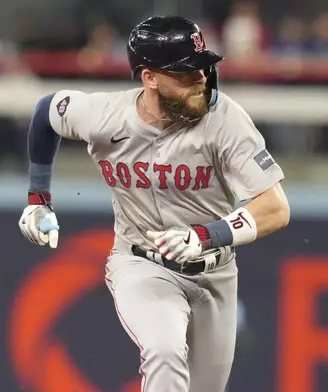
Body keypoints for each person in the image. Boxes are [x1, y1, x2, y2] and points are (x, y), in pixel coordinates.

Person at [17, 16, 290, 392]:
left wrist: (207, 236)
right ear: (150, 77)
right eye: (186, 73)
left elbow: (275, 207)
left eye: (203, 68)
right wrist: (38, 198)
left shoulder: (226, 121)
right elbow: (47, 112)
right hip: (141, 263)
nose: (201, 80)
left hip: (216, 274)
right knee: (164, 351)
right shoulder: (106, 116)